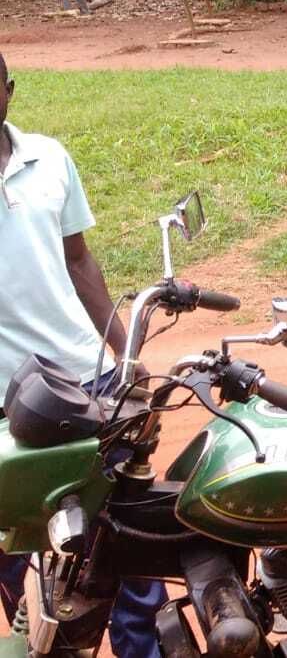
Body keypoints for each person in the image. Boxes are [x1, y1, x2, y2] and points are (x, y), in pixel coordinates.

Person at [0, 53, 164, 656]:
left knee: (125, 533)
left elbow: (77, 260)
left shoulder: (50, 159)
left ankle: (140, 648)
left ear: (8, 92)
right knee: (25, 562)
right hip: (2, 410)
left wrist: (124, 354)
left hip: (83, 386)